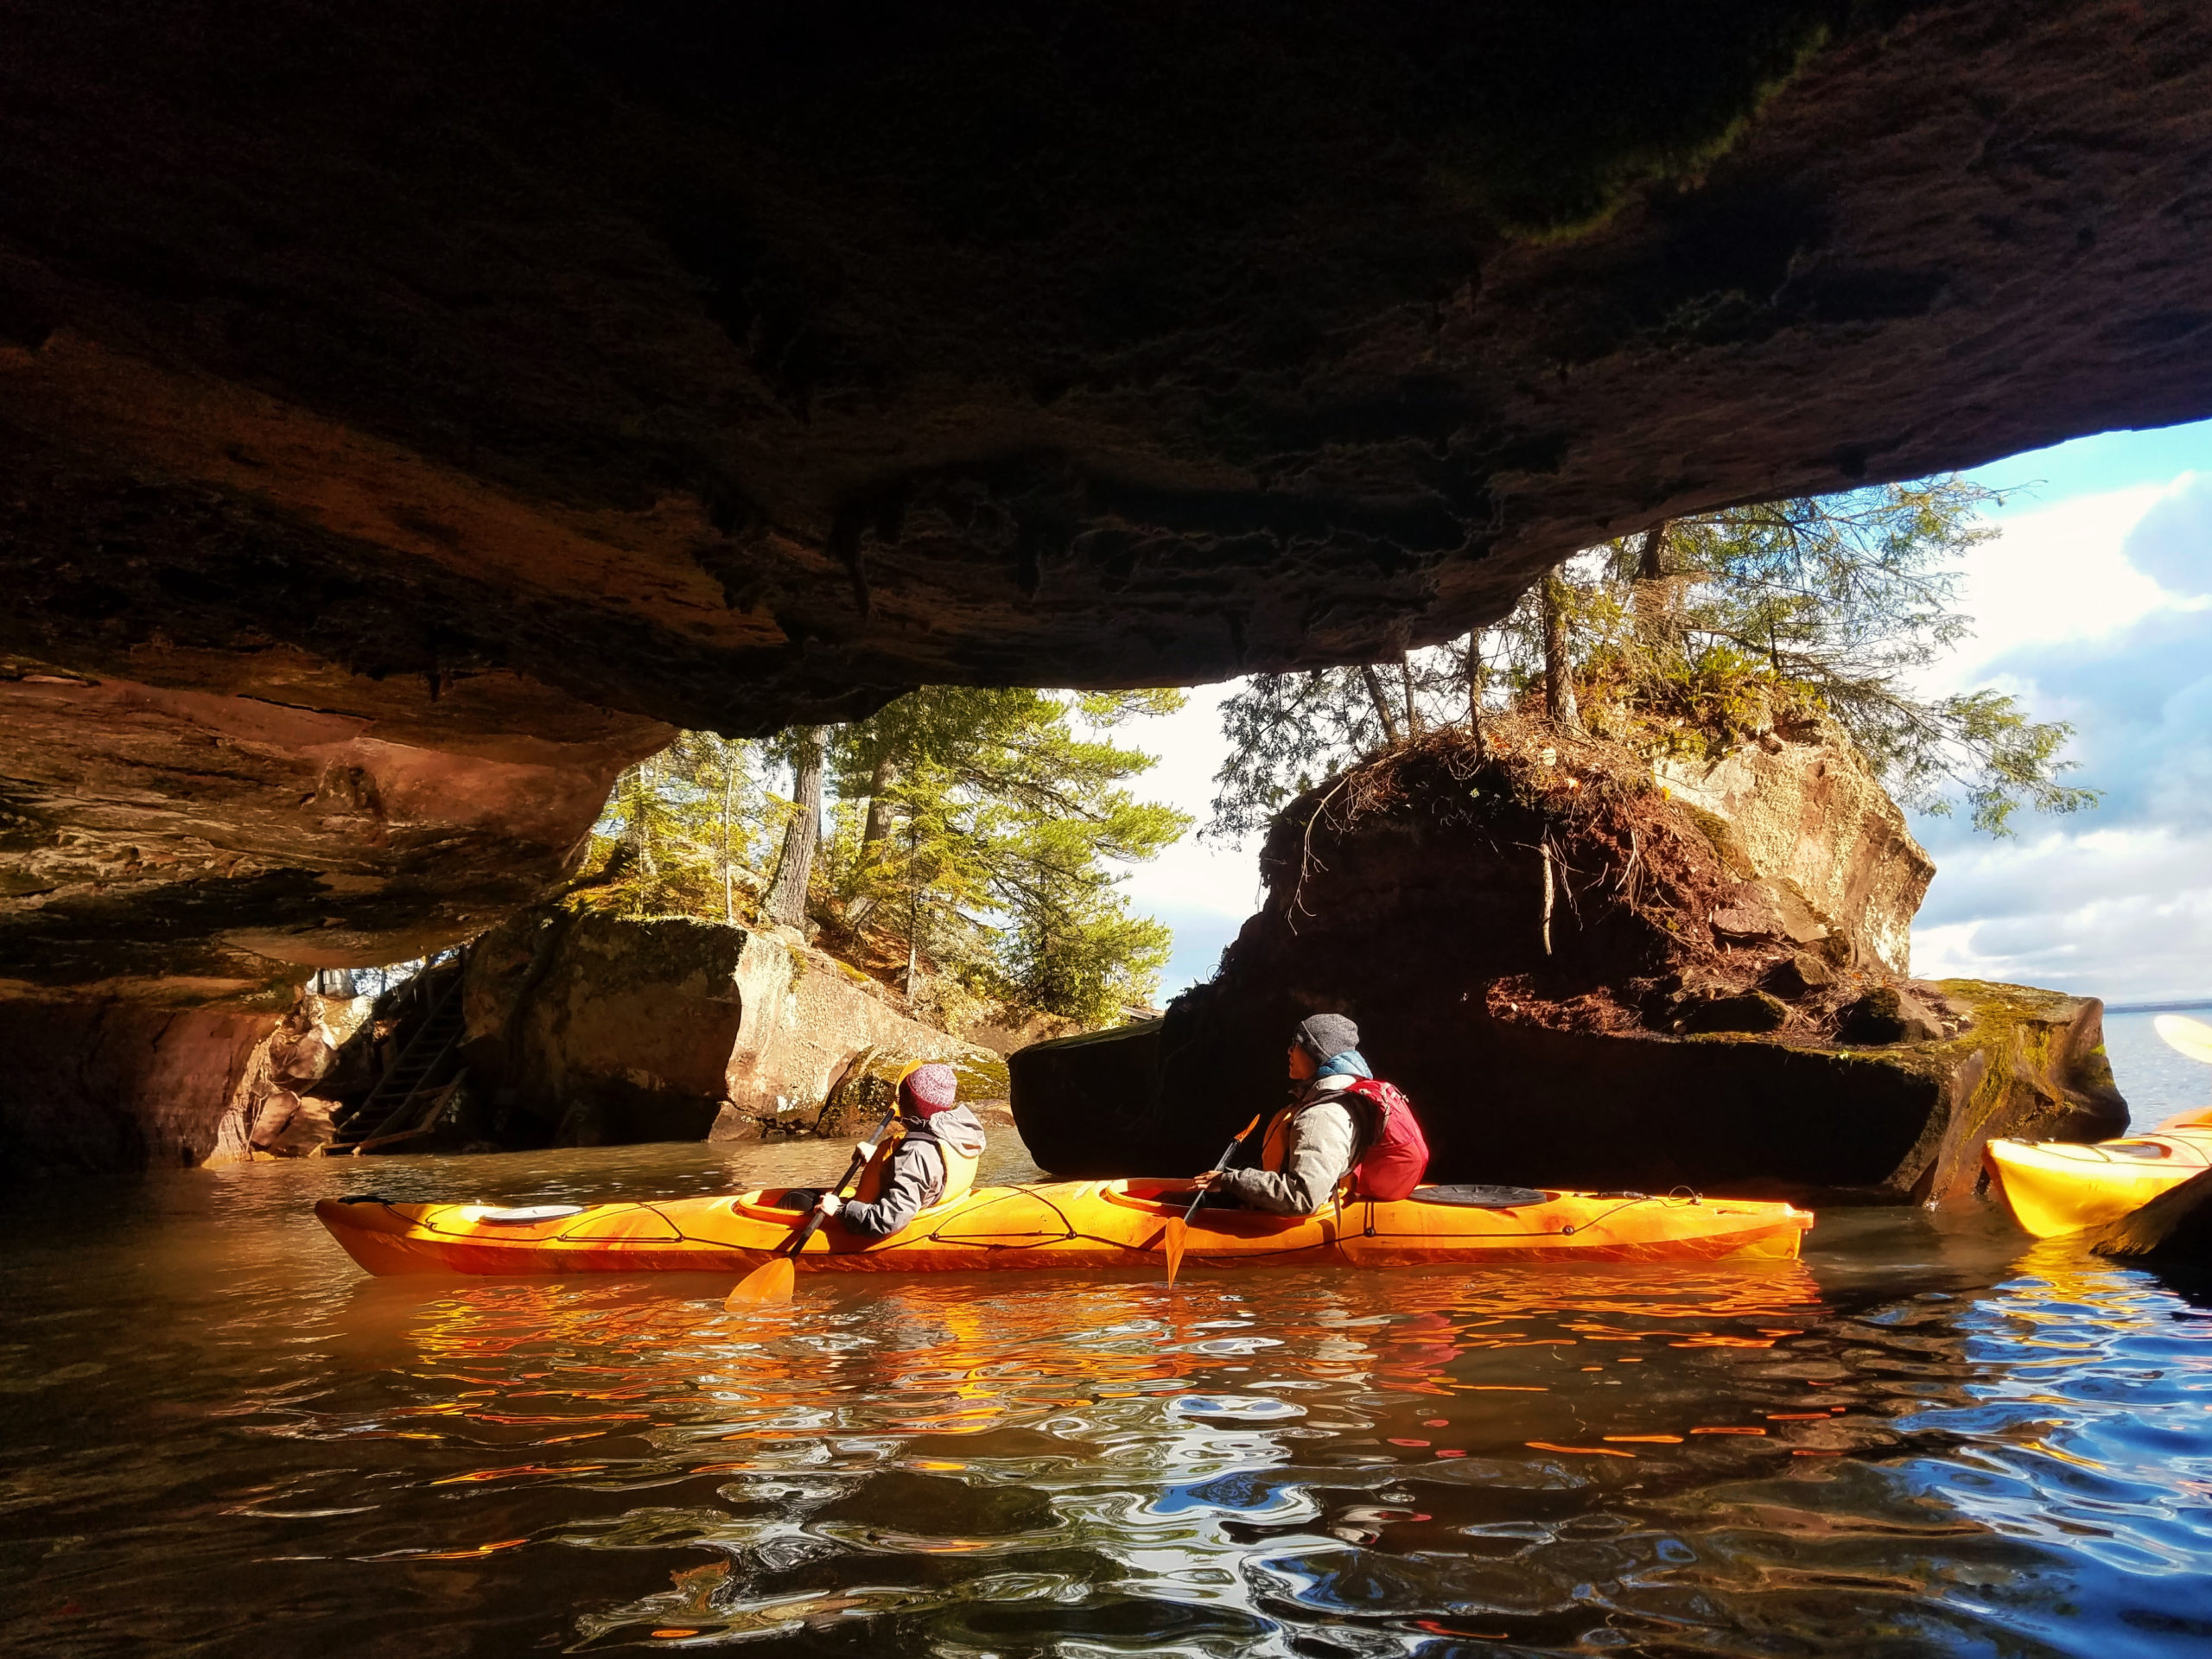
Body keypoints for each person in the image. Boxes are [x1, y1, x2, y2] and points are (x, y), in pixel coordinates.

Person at [1198, 1013, 1388, 1216]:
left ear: (1318, 1053)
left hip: (1299, 1224)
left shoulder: (1323, 1115)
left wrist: (1229, 1182)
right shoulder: (1328, 1101)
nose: (1289, 1051)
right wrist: (1240, 1184)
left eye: (1296, 1043)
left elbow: (1302, 1197)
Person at [812, 1062, 987, 1238]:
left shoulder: (917, 1152)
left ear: (911, 1104)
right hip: (941, 1205)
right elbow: (930, 1171)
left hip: (884, 1224)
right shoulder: (957, 1131)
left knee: (797, 1199)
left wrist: (840, 1210)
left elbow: (889, 1220)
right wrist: (880, 1161)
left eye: (902, 1099)